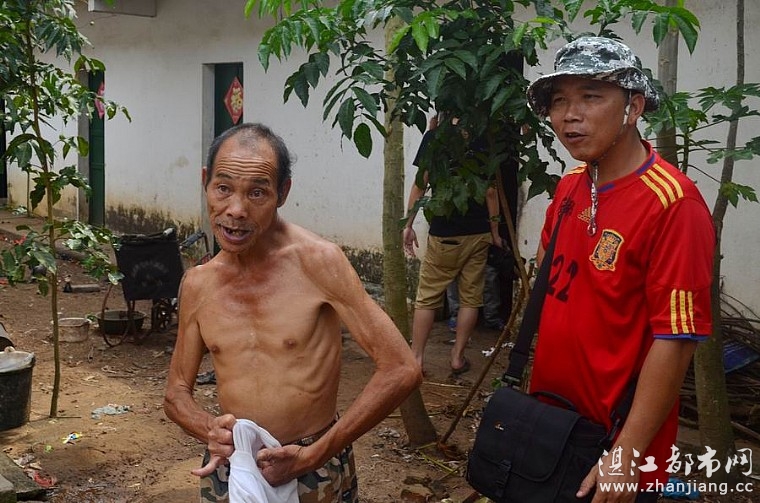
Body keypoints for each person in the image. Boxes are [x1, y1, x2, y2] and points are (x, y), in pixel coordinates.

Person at [163, 123, 422, 503]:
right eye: (223, 188)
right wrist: (208, 429)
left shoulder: (319, 262)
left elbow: (401, 368)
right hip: (234, 466)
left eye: (257, 192)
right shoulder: (199, 284)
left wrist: (315, 455)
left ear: (283, 192)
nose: (236, 210)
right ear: (206, 182)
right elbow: (176, 393)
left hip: (313, 466)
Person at [525, 37, 715, 503]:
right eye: (559, 101)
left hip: (611, 439)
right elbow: (553, 279)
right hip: (550, 420)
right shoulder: (570, 186)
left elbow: (676, 339)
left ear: (633, 107)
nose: (569, 115)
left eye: (591, 96)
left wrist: (626, 454)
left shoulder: (673, 204)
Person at [403, 113, 503, 374]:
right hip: (478, 232)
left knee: (427, 297)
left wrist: (408, 224)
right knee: (471, 298)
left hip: (444, 233)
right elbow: (490, 191)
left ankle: (417, 359)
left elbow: (420, 185)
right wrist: (494, 232)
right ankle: (457, 358)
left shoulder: (435, 137)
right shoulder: (483, 137)